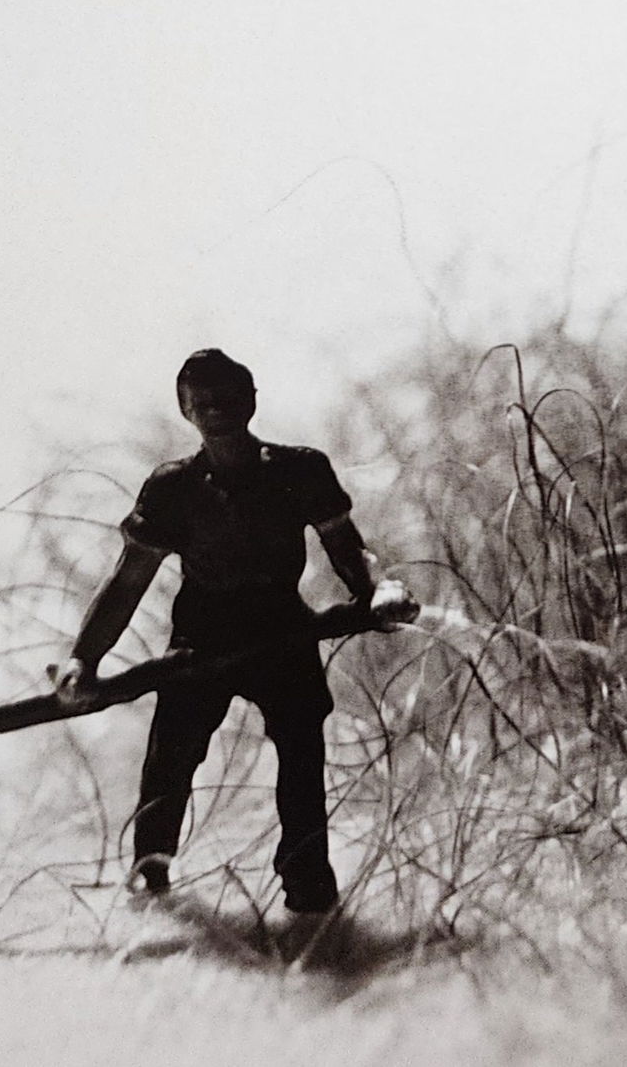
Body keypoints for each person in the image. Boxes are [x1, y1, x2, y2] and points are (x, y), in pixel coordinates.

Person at [53, 347, 388, 916]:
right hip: (200, 641)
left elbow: (344, 546)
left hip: (283, 632)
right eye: (201, 401)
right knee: (170, 760)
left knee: (302, 757)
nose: (215, 410)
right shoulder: (172, 487)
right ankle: (149, 875)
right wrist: (83, 659)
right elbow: (129, 580)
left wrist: (375, 593)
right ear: (185, 411)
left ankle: (308, 884)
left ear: (251, 400)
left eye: (227, 397)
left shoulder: (300, 469)